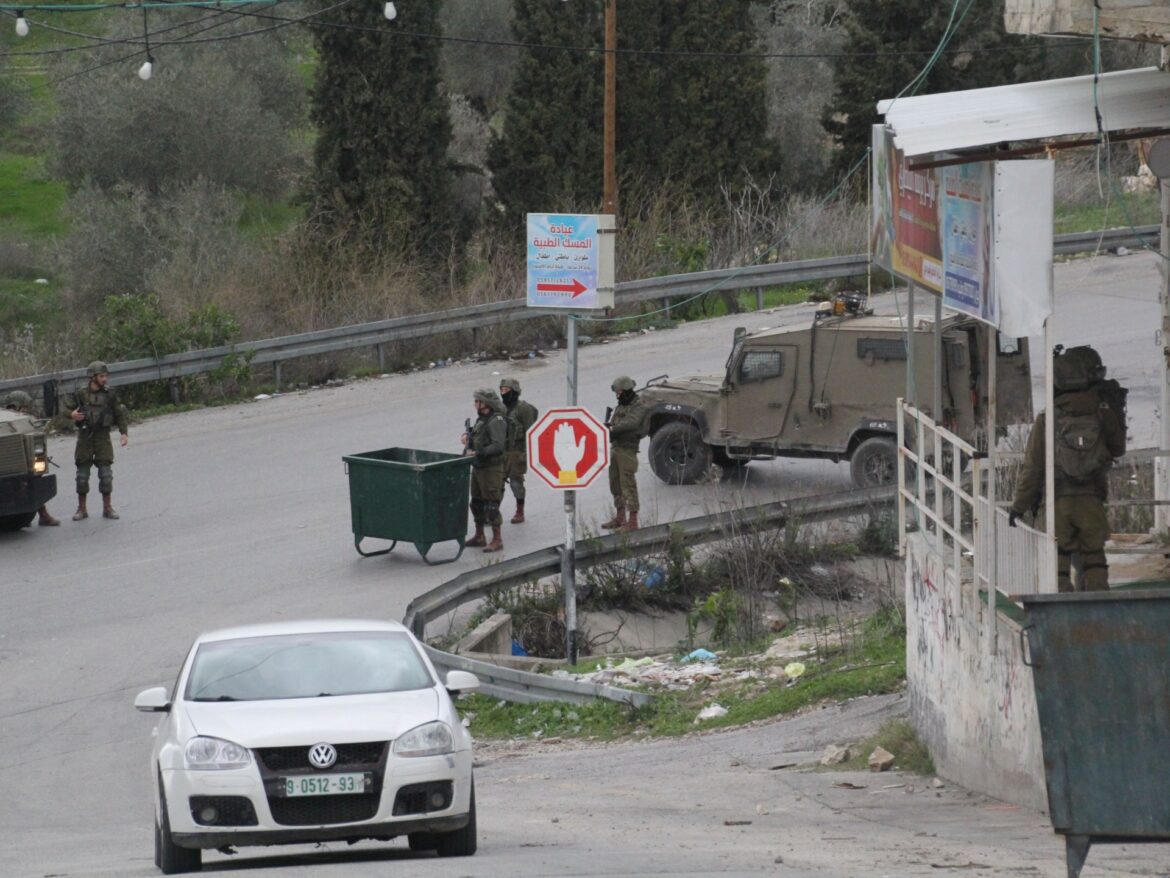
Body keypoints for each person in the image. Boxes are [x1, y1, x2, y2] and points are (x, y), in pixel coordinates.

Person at [1009, 345, 1126, 592]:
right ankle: (1098, 619)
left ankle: (1060, 622)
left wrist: (1018, 507)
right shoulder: (1102, 413)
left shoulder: (1047, 419)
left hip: (1057, 504)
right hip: (1091, 500)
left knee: (1057, 570)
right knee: (1094, 565)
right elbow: (1117, 449)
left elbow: (1032, 469)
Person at [62, 361, 129, 521]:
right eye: (101, 376)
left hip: (102, 437)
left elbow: (119, 413)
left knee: (106, 474)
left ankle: (107, 508)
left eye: (106, 376)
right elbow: (63, 410)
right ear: (93, 377)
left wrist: (123, 433)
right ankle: (82, 508)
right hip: (85, 437)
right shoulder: (80, 394)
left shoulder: (110, 394)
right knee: (82, 476)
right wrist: (72, 415)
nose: (105, 379)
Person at [3, 390, 60, 526]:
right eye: (24, 408)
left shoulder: (18, 419)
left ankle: (41, 513)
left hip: (17, 463)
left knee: (32, 476)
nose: (26, 411)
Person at [462, 387, 507, 553]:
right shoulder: (482, 419)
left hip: (491, 469)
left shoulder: (497, 421)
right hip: (479, 467)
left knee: (491, 505)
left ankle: (497, 539)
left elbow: (498, 446)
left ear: (485, 403)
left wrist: (478, 452)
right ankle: (479, 535)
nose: (475, 404)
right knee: (476, 503)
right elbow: (478, 436)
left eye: (477, 401)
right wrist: (468, 438)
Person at [602, 376, 647, 532]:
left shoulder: (639, 406)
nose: (617, 395)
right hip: (616, 448)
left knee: (628, 484)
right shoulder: (621, 406)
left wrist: (613, 429)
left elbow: (632, 423)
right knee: (615, 484)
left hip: (628, 450)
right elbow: (616, 422)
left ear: (627, 390)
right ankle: (620, 517)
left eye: (619, 392)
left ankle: (632, 522)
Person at [499, 377, 539, 524]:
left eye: (506, 390)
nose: (503, 393)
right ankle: (493, 512)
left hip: (517, 452)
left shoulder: (523, 408)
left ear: (514, 391)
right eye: (501, 390)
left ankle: (520, 511)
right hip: (501, 452)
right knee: (496, 484)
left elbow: (531, 431)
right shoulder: (500, 408)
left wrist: (527, 453)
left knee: (516, 484)